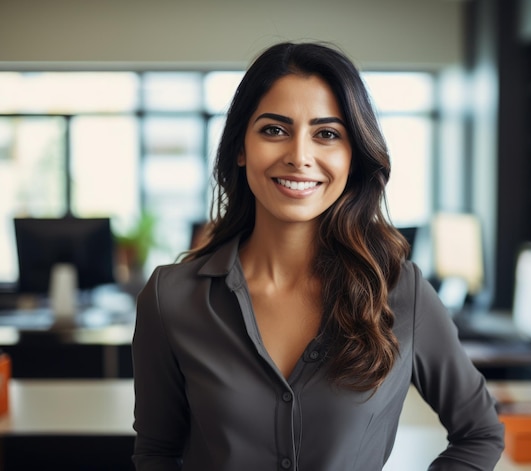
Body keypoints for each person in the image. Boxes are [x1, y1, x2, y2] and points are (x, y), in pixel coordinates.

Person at [132, 41, 505, 470]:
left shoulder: (401, 292)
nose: (299, 157)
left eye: (326, 134)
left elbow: (480, 432)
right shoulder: (172, 298)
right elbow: (157, 454)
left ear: (352, 157)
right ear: (240, 148)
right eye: (274, 130)